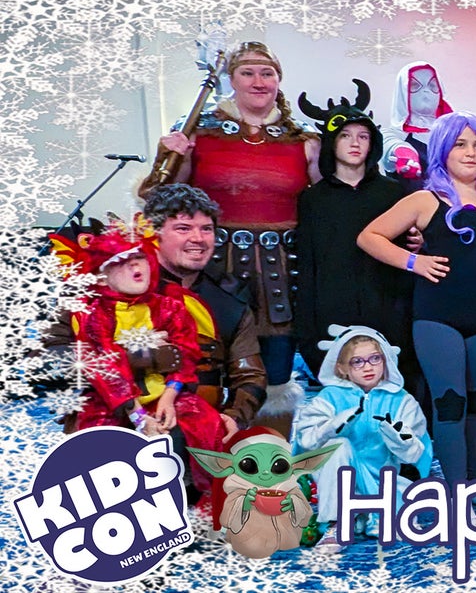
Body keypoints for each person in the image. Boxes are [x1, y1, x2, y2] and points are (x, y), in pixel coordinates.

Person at [358, 111, 476, 484]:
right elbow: (369, 237)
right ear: (442, 150)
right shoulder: (425, 200)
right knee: (450, 405)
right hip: (437, 319)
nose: (470, 153)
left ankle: (470, 483)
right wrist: (413, 262)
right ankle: (457, 493)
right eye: (460, 144)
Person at [146, 41, 320, 399]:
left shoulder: (305, 139)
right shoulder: (197, 132)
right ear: (232, 80)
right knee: (203, 369)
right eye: (248, 73)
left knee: (274, 377)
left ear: (278, 81)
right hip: (210, 271)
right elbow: (161, 200)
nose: (258, 82)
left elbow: (330, 204)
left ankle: (269, 434)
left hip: (281, 277)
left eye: (267, 73)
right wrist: (166, 158)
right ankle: (203, 433)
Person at [49, 220, 227, 508]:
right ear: (101, 277)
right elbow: (105, 368)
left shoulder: (170, 306)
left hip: (167, 395)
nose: (135, 265)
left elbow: (186, 354)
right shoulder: (90, 314)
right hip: (114, 403)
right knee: (103, 451)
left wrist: (169, 396)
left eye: (139, 257)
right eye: (122, 261)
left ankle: (195, 506)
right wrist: (139, 415)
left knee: (202, 428)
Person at [292, 80, 414, 397]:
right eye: (345, 136)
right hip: (332, 313)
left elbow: (406, 258)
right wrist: (307, 330)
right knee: (342, 403)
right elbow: (307, 267)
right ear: (331, 142)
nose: (354, 143)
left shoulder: (393, 193)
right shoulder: (313, 200)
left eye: (363, 136)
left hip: (387, 310)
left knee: (391, 402)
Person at [142, 185, 266, 436]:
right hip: (126, 428)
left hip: (203, 430)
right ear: (154, 234)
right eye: (183, 228)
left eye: (206, 229)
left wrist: (234, 417)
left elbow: (251, 376)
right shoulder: (117, 290)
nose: (198, 238)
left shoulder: (230, 299)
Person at [293, 325, 432, 548]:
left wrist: (400, 438)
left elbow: (415, 455)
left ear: (386, 360)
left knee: (393, 525)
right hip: (339, 480)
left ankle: (370, 512)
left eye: (375, 359)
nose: (368, 367)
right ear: (341, 367)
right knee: (338, 446)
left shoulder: (402, 400)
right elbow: (306, 441)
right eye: (357, 361)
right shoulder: (329, 398)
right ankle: (337, 522)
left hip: (384, 480)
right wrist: (333, 426)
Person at [381, 61, 454, 192]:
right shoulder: (393, 134)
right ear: (402, 92)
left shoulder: (452, 135)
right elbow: (391, 144)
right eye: (415, 85)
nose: (426, 91)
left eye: (433, 85)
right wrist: (405, 154)